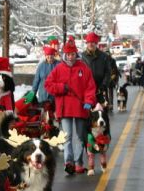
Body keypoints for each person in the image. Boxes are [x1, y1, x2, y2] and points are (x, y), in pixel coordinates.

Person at [45, 37, 97, 175]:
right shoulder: (58, 68)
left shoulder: (83, 68)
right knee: (67, 137)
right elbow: (48, 85)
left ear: (76, 54)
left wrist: (89, 101)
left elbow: (90, 87)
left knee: (80, 136)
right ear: (64, 55)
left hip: (80, 107)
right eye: (68, 54)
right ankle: (69, 163)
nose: (70, 57)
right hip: (64, 107)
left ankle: (79, 163)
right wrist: (61, 87)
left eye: (72, 54)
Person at [80, 32, 111, 106]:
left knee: (102, 114)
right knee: (87, 112)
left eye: (93, 42)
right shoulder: (81, 57)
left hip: (101, 90)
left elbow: (108, 73)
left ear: (96, 43)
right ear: (86, 43)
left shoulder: (104, 56)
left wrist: (104, 85)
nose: (90, 44)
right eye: (89, 42)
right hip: (87, 92)